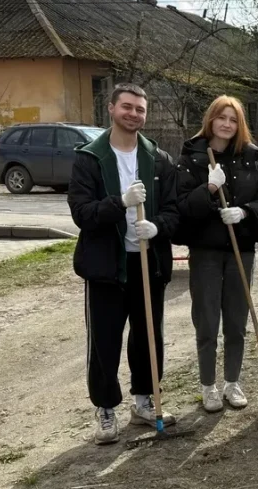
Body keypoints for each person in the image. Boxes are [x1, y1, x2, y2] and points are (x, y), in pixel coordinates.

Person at [67, 83, 179, 445]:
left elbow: (174, 211)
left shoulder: (158, 159)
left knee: (148, 336)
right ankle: (105, 408)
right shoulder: (90, 158)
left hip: (148, 262)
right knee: (105, 339)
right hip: (106, 266)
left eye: (140, 109)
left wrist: (157, 226)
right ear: (112, 109)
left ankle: (145, 400)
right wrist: (120, 202)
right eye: (127, 107)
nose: (133, 114)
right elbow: (82, 213)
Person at [174, 95, 258, 413]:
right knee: (206, 321)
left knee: (236, 320)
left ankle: (232, 382)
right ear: (211, 120)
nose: (227, 124)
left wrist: (245, 212)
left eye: (233, 119)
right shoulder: (192, 157)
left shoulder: (252, 158)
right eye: (221, 118)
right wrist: (209, 189)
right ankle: (208, 386)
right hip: (205, 251)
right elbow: (183, 207)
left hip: (241, 250)